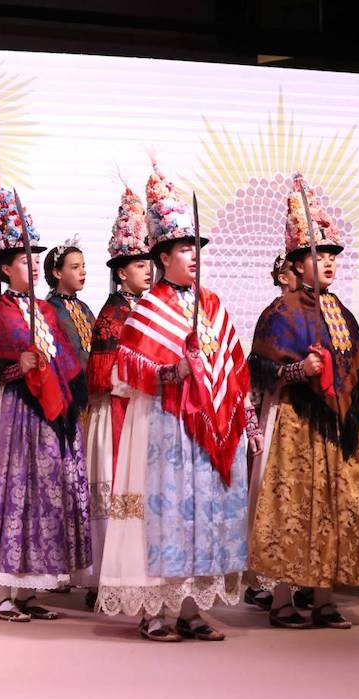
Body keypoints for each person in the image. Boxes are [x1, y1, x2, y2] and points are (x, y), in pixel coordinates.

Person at [96, 161, 263, 642]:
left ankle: (190, 608)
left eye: (195, 249)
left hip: (209, 430)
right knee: (167, 515)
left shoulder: (212, 304)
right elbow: (124, 371)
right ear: (163, 257)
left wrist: (248, 423)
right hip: (165, 428)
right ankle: (156, 612)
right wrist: (173, 372)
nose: (193, 257)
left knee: (202, 514)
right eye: (185, 249)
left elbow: (234, 367)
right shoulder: (148, 308)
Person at [247, 173, 359, 630]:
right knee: (294, 507)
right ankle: (282, 599)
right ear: (297, 264)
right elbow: (262, 370)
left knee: (334, 508)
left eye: (331, 256)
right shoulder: (281, 312)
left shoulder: (341, 312)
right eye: (317, 256)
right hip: (296, 425)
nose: (327, 264)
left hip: (338, 430)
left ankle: (324, 599)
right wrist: (298, 370)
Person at [0, 180, 90, 623]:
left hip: (47, 424)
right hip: (10, 424)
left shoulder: (47, 312)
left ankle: (30, 590)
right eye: (24, 260)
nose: (32, 265)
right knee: (10, 501)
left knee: (40, 502)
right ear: (5, 269)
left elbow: (67, 365)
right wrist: (16, 368)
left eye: (35, 258)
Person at [71, 186, 154, 608]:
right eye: (139, 264)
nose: (148, 271)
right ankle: (103, 576)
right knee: (110, 487)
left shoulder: (149, 307)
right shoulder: (113, 313)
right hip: (113, 411)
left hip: (138, 409)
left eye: (149, 263)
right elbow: (102, 373)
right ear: (121, 272)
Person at [243, 250, 303, 612]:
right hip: (277, 411)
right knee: (272, 494)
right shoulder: (272, 316)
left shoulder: (316, 314)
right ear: (283, 276)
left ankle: (303, 579)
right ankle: (265, 580)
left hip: (308, 418)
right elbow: (256, 374)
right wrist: (252, 425)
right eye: (296, 269)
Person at [44, 236, 94, 372]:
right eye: (75, 267)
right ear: (57, 273)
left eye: (83, 266)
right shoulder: (48, 310)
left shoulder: (84, 308)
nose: (83, 272)